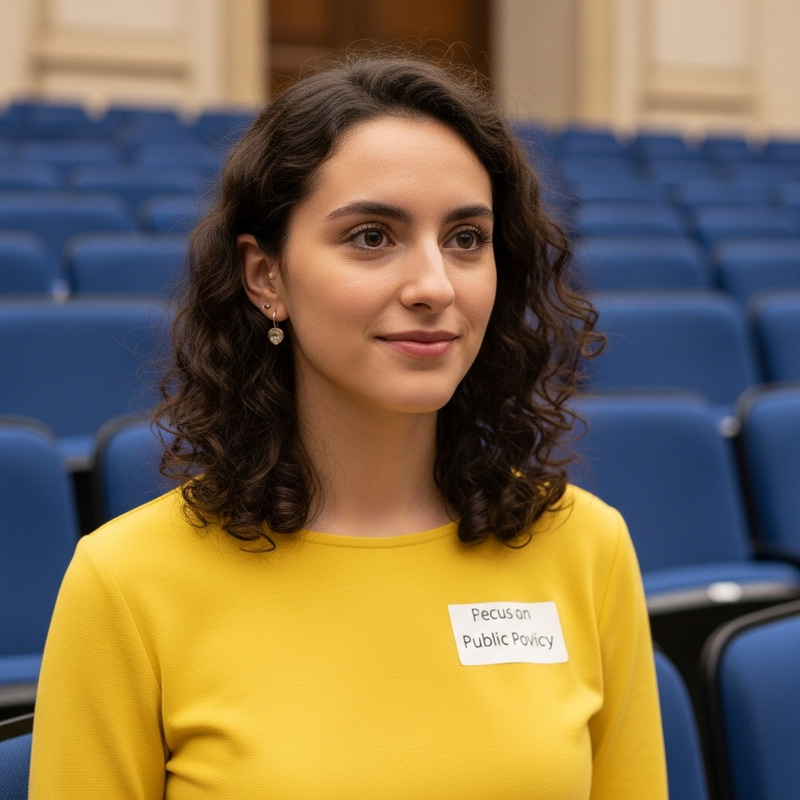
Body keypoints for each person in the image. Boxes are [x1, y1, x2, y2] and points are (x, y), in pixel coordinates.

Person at [30, 52, 667, 798]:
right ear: (267, 278)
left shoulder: (586, 547)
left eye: (466, 238)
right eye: (372, 237)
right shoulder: (128, 583)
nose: (434, 285)